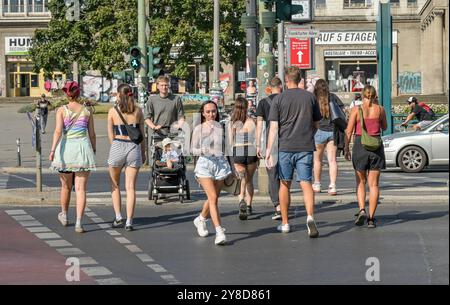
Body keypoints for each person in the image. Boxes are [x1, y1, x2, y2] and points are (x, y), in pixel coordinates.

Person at [266, 66, 322, 238]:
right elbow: (316, 124)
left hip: (285, 147)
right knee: (306, 183)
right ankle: (310, 216)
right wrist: (308, 135)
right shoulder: (309, 97)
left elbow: (274, 128)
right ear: (299, 79)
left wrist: (268, 150)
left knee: (285, 184)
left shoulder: (279, 99)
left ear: (286, 80)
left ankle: (285, 223)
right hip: (305, 146)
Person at [49, 81, 96, 233]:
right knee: (81, 189)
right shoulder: (87, 111)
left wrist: (52, 150)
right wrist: (93, 149)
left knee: (66, 186)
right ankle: (79, 223)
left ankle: (64, 214)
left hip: (66, 149)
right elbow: (92, 134)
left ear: (66, 94)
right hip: (82, 149)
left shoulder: (61, 110)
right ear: (78, 93)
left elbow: (57, 131)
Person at [344, 85, 387, 228]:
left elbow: (348, 131)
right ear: (375, 96)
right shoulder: (380, 109)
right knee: (374, 184)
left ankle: (362, 209)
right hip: (376, 147)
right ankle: (371, 219)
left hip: (360, 146)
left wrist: (346, 148)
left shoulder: (356, 110)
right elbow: (385, 127)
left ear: (362, 95)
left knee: (360, 182)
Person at [191, 101, 232, 245]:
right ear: (203, 113)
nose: (211, 114)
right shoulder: (199, 129)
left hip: (220, 164)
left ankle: (201, 219)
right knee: (213, 197)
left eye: (213, 111)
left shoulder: (221, 127)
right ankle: (219, 231)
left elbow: (227, 148)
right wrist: (204, 150)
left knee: (213, 198)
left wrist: (233, 166)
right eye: (208, 112)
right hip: (205, 165)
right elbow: (192, 150)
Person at [107, 83, 146, 231]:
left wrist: (115, 147)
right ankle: (129, 221)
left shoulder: (112, 111)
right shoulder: (138, 111)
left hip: (118, 144)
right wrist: (143, 152)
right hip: (133, 147)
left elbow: (111, 134)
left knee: (114, 184)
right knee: (131, 187)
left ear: (118, 95)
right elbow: (141, 134)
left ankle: (118, 217)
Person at [255, 76, 283, 220]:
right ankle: (284, 204)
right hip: (286, 140)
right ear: (281, 86)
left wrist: (258, 144)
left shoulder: (263, 103)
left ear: (269, 88)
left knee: (272, 175)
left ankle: (277, 206)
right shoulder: (285, 99)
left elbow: (259, 125)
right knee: (284, 174)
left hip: (269, 143)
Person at [312, 79, 344, 196]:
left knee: (317, 160)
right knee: (332, 160)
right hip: (332, 131)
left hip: (318, 131)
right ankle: (333, 186)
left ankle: (317, 184)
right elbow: (342, 112)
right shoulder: (333, 97)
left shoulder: (313, 98)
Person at [228, 96, 258, 220]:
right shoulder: (252, 121)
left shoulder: (232, 122)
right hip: (251, 150)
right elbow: (256, 139)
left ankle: (241, 200)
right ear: (246, 107)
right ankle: (249, 205)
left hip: (238, 150)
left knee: (241, 180)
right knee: (249, 181)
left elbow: (230, 141)